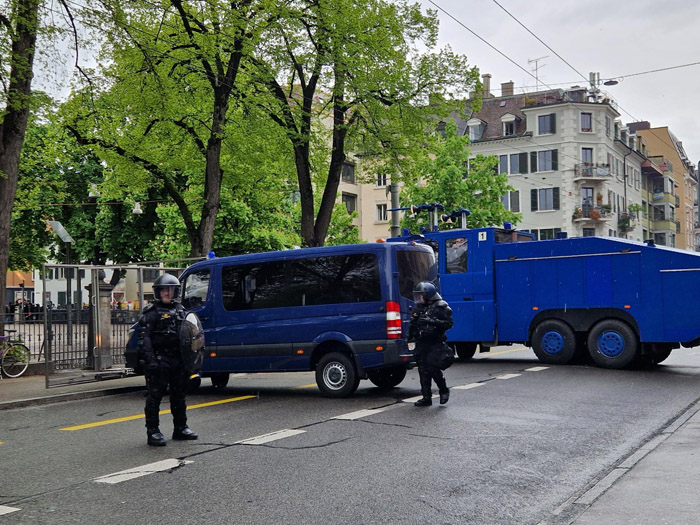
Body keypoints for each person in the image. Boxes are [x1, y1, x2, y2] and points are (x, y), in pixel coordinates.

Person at [137, 273, 198, 446]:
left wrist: (191, 359)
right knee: (154, 397)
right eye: (164, 290)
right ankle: (153, 431)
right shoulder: (151, 313)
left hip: (178, 360)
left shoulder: (180, 310)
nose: (167, 293)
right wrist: (151, 361)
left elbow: (191, 334)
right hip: (159, 360)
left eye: (170, 290)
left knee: (179, 395)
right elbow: (144, 339)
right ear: (158, 292)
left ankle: (180, 427)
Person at [408, 282, 454, 407]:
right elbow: (413, 324)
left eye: (421, 295)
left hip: (435, 342)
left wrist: (432, 321)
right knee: (423, 370)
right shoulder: (419, 308)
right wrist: (410, 338)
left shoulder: (440, 306)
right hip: (421, 343)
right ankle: (426, 397)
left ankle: (443, 390)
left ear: (428, 295)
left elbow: (448, 324)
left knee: (433, 369)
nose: (419, 298)